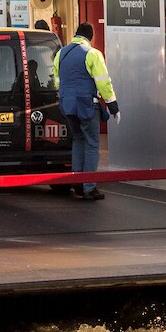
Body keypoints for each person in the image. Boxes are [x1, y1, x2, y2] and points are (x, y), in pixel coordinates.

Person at [52, 22, 118, 201]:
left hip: (67, 105)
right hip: (86, 105)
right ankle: (90, 187)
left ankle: (78, 183)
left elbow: (58, 82)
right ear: (90, 37)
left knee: (78, 140)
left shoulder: (60, 54)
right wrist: (113, 105)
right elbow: (103, 82)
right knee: (92, 143)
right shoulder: (92, 54)